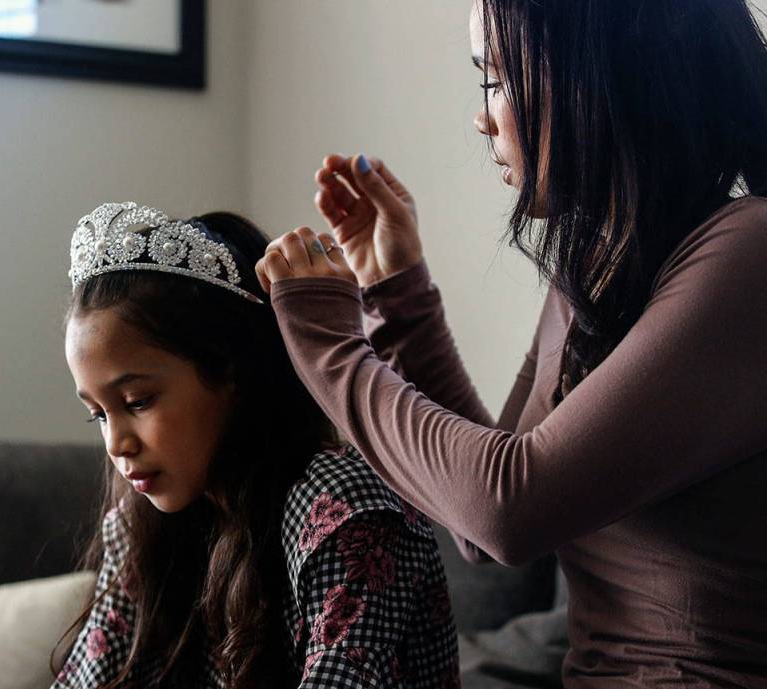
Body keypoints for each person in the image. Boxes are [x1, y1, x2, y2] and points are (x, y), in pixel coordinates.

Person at [254, 0, 767, 687]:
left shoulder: (749, 254)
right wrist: (397, 289)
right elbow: (482, 530)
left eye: (497, 77)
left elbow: (508, 506)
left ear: (601, 75)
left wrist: (329, 347)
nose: (482, 115)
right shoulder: (598, 265)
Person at [50, 202, 459, 689]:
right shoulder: (138, 523)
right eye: (97, 414)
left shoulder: (345, 514)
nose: (116, 444)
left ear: (230, 371)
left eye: (137, 401)